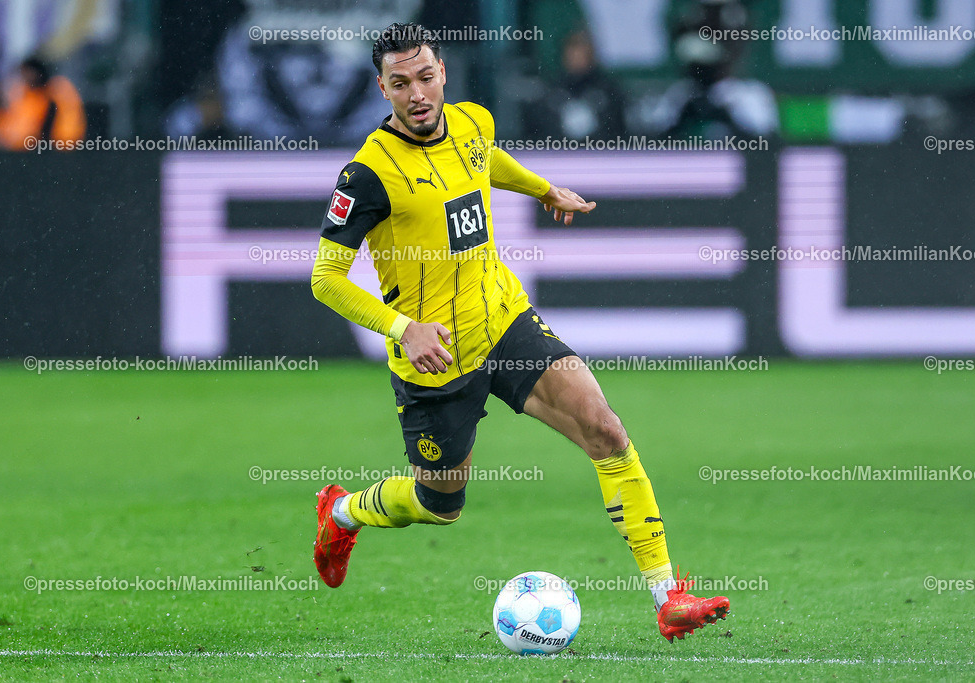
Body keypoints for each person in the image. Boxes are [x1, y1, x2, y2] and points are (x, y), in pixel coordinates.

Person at [310, 22, 729, 642]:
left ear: (443, 72)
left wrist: (542, 189)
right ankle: (343, 511)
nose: (417, 94)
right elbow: (325, 279)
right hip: (437, 358)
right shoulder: (367, 175)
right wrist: (403, 329)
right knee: (438, 504)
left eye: (425, 77)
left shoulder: (473, 121)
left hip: (504, 321)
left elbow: (484, 161)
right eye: (400, 83)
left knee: (605, 430)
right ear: (383, 89)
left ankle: (667, 596)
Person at [0, 56, 85, 150]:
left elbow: (24, 132)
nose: (24, 79)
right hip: (50, 146)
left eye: (26, 74)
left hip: (59, 146)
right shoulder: (32, 95)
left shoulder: (55, 91)